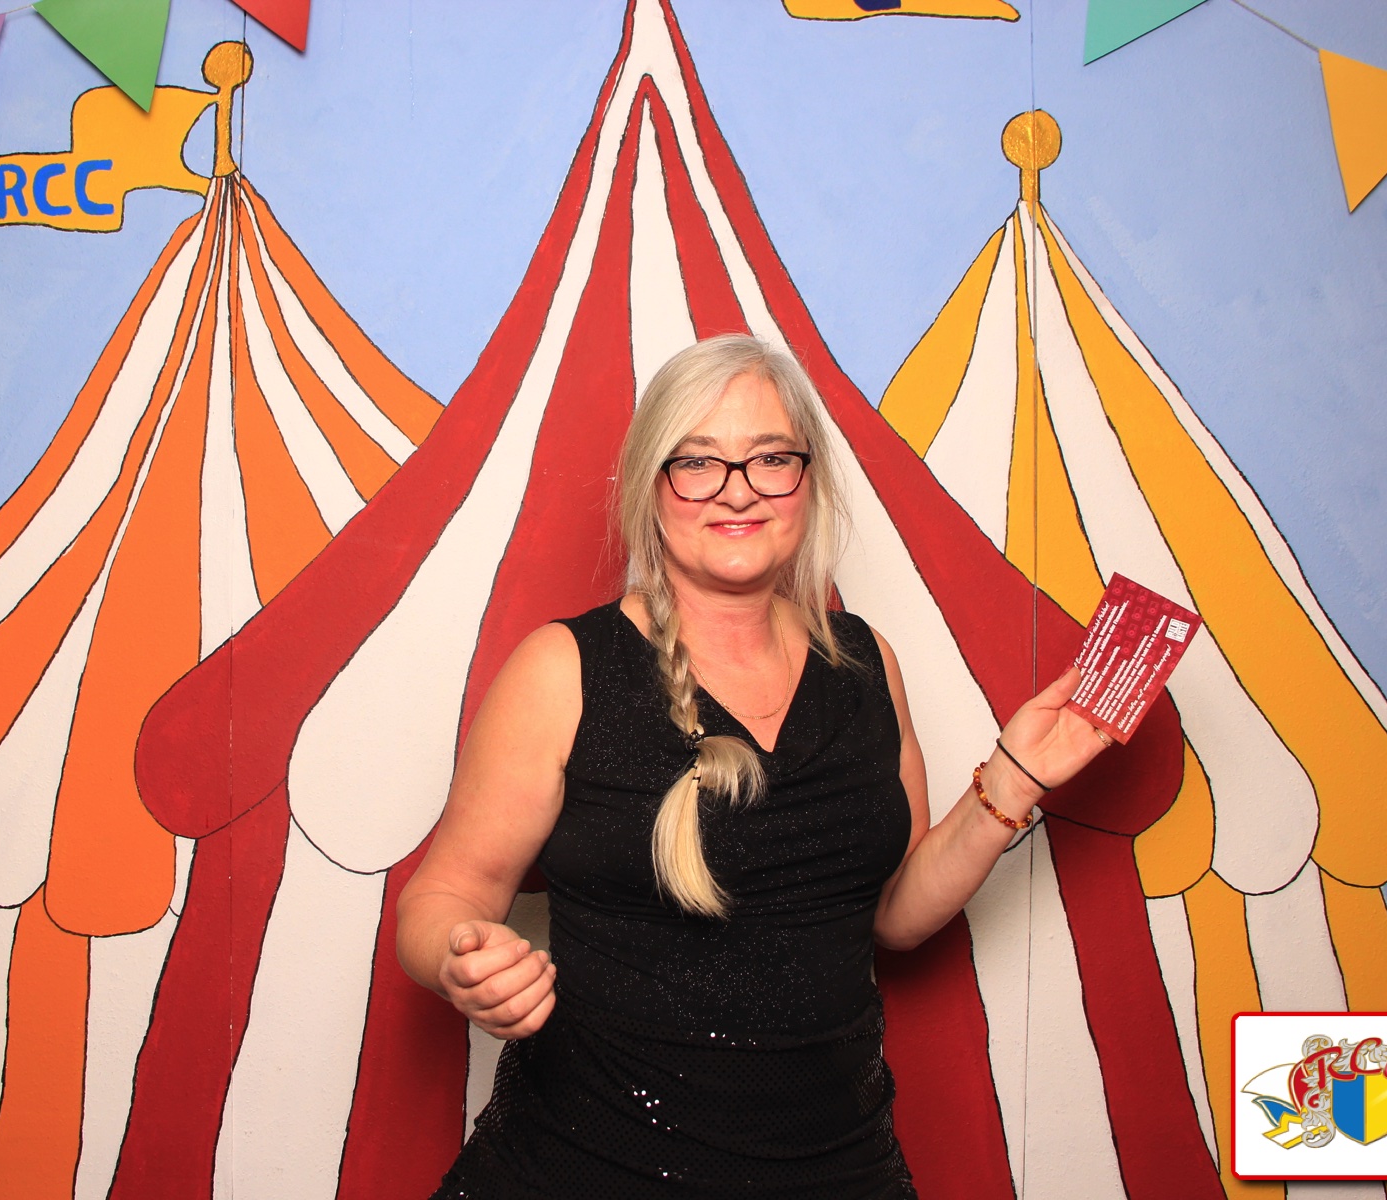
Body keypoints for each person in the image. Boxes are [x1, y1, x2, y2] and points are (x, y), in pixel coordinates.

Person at [396, 334, 1112, 1198]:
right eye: (698, 462)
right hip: (582, 1172)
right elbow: (442, 896)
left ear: (808, 481)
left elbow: (893, 915)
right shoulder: (563, 669)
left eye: (771, 458)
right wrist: (461, 957)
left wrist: (1013, 779)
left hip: (839, 1172)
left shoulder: (865, 662)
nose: (738, 490)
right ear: (650, 486)